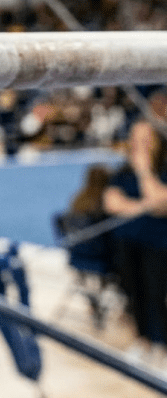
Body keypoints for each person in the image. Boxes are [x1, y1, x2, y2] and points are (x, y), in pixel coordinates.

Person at [103, 121, 167, 361]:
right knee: (134, 293)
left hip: (157, 244)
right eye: (135, 139)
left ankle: (162, 343)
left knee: (156, 294)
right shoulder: (122, 172)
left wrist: (144, 171)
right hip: (127, 242)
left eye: (145, 139)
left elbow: (161, 202)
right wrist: (144, 206)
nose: (139, 145)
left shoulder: (159, 170)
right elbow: (112, 203)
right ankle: (143, 339)